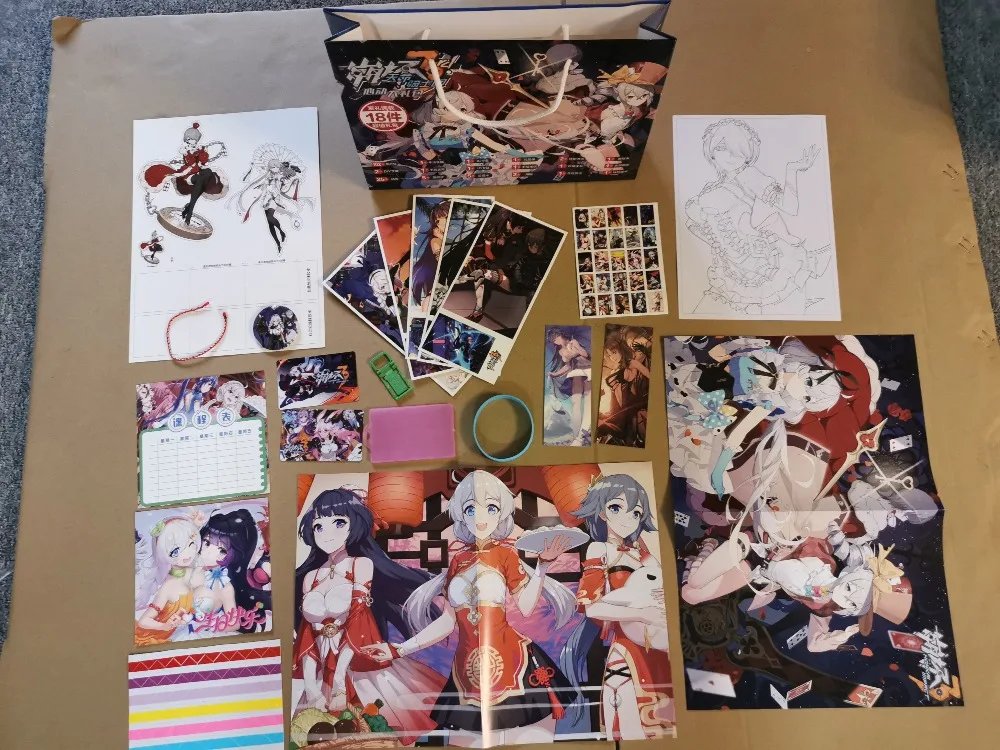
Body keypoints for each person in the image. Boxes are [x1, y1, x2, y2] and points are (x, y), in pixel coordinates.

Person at [363, 471, 577, 747]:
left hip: (516, 663)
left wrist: (543, 566)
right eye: (471, 509)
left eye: (491, 508)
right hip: (466, 672)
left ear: (502, 513)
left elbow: (525, 607)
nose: (480, 517)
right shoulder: (458, 561)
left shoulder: (505, 554)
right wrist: (398, 650)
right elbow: (447, 621)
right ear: (461, 515)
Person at [293, 488, 446, 743]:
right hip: (320, 667)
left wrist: (340, 677)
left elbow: (358, 618)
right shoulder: (311, 576)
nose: (327, 534)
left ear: (356, 524)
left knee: (377, 734)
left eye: (338, 523)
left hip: (359, 660)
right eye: (318, 526)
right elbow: (308, 634)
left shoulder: (360, 565)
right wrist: (310, 684)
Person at [561, 474, 674, 739]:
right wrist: (642, 614)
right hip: (626, 649)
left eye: (636, 513)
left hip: (659, 646)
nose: (627, 519)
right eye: (616, 508)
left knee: (664, 724)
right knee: (632, 724)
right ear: (601, 511)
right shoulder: (599, 550)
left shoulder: (642, 554)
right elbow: (592, 608)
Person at [684, 118, 831, 313]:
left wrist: (792, 170)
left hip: (765, 266)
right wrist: (722, 246)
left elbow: (789, 206)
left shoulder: (750, 175)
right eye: (721, 148)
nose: (729, 156)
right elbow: (695, 225)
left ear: (747, 152)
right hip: (731, 267)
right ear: (711, 152)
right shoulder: (712, 187)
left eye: (737, 150)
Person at [140, 122, 228, 225]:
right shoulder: (186, 151)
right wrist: (194, 154)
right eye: (190, 139)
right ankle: (189, 212)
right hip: (189, 173)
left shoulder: (200, 149)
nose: (192, 142)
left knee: (208, 173)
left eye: (194, 140)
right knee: (200, 179)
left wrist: (202, 153)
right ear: (187, 140)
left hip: (199, 171)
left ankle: (189, 206)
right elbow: (190, 163)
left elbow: (204, 162)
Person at [135, 516, 201, 646]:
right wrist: (165, 626)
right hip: (153, 637)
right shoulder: (167, 587)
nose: (187, 554)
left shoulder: (191, 572)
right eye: (175, 551)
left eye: (191, 545)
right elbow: (143, 621)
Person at [547, 328, 592, 446]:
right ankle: (576, 436)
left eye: (555, 339)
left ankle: (583, 434)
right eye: (553, 341)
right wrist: (555, 374)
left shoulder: (573, 342)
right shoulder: (561, 351)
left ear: (560, 335)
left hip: (588, 369)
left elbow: (585, 354)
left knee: (588, 401)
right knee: (575, 402)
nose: (555, 342)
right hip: (576, 372)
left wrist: (575, 351)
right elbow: (568, 366)